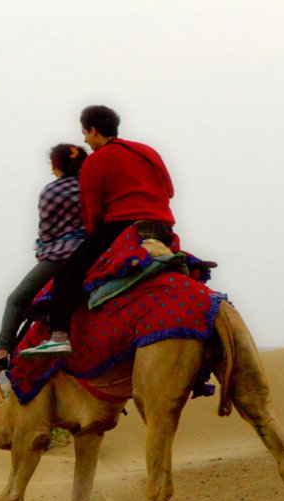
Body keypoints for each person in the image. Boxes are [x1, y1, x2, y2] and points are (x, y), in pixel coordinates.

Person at [20, 105, 175, 357]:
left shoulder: (96, 160)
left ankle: (59, 336)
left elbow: (92, 213)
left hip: (120, 227)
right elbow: (169, 191)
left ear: (93, 130)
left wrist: (93, 236)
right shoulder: (148, 152)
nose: (84, 140)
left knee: (67, 275)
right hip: (161, 228)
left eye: (84, 133)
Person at [0, 143, 88, 371]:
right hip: (91, 250)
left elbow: (46, 232)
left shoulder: (51, 191)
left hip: (60, 254)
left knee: (16, 299)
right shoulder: (90, 186)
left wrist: (42, 247)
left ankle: (1, 352)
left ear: (56, 165)